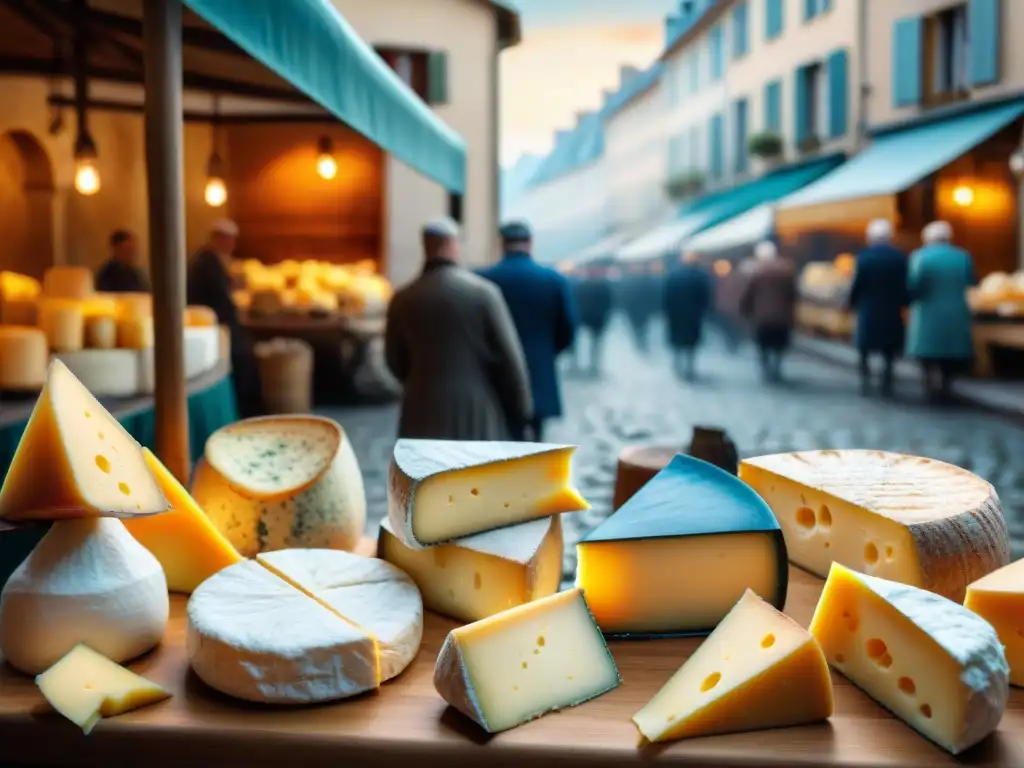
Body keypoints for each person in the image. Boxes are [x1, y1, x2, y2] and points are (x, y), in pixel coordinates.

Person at [386, 217, 533, 440]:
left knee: (426, 472)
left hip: (420, 409)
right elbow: (511, 359)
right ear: (453, 244)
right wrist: (523, 407)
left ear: (425, 246)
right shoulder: (483, 293)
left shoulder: (403, 298)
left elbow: (394, 360)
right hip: (476, 408)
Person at [478, 221, 577, 442]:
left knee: (503, 436)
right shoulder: (553, 280)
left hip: (497, 371)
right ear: (530, 243)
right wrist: (548, 351)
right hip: (540, 366)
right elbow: (568, 329)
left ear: (501, 243)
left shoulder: (484, 279)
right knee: (537, 436)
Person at [187, 219, 263, 418]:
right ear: (219, 239)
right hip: (215, 326)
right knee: (243, 361)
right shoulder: (207, 263)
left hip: (219, 323)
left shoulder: (210, 260)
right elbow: (218, 300)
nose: (232, 246)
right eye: (229, 240)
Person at [906, 220, 976, 404]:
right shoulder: (962, 256)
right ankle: (946, 385)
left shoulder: (920, 257)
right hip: (955, 312)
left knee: (927, 354)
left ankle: (929, 385)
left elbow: (914, 284)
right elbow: (970, 281)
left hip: (927, 311)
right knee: (949, 353)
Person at [849, 219, 909, 398]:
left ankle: (865, 380)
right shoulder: (899, 257)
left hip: (869, 308)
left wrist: (851, 302)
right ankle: (886, 382)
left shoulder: (864, 257)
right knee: (888, 350)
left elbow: (857, 284)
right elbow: (904, 285)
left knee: (864, 347)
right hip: (891, 309)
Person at [740, 240, 797, 383]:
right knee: (778, 345)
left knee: (763, 345)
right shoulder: (786, 270)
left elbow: (748, 294)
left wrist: (745, 310)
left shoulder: (757, 271)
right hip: (782, 317)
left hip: (762, 316)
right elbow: (793, 294)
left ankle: (766, 369)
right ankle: (776, 368)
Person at [663, 251, 713, 381]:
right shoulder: (701, 276)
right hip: (694, 315)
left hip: (676, 315)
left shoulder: (674, 275)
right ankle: (689, 367)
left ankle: (678, 364)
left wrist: (667, 312)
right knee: (691, 343)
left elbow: (667, 296)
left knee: (678, 341)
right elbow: (705, 297)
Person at [572, 265, 614, 375]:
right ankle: (593, 366)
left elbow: (576, 301)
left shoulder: (581, 285)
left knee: (580, 343)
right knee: (595, 344)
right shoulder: (603, 285)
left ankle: (577, 365)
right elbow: (608, 303)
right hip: (597, 318)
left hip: (584, 317)